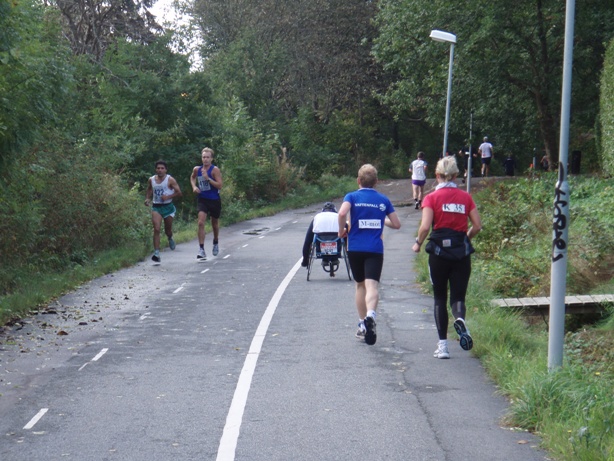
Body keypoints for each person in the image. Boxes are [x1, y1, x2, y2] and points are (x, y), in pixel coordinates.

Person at [412, 156, 482, 359]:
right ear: (456, 175)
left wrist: (418, 243)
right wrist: (466, 238)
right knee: (458, 296)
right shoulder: (465, 197)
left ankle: (442, 346)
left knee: (439, 298)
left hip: (439, 253)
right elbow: (477, 226)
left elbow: (425, 226)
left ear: (436, 175)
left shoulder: (431, 198)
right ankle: (459, 319)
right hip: (461, 252)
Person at [338, 164, 401, 345]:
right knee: (372, 285)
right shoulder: (383, 200)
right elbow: (396, 224)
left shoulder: (352, 196)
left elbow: (342, 212)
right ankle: (371, 314)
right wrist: (382, 219)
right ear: (376, 182)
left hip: (355, 248)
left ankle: (362, 323)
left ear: (358, 181)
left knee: (360, 285)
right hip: (374, 249)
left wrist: (341, 229)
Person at [145, 160, 182, 264]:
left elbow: (179, 192)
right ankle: (156, 253)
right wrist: (147, 199)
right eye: (158, 168)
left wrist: (168, 197)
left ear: (166, 170)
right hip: (156, 206)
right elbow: (149, 190)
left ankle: (170, 237)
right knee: (156, 228)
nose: (160, 170)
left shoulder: (170, 180)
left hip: (168, 207)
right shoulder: (151, 179)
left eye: (162, 168)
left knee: (167, 229)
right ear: (155, 169)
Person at [190, 147, 223, 260]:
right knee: (200, 222)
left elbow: (219, 185)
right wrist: (194, 187)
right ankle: (201, 249)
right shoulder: (197, 169)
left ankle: (215, 241)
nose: (205, 159)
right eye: (204, 157)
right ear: (201, 158)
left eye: (208, 157)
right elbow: (192, 178)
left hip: (214, 200)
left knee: (214, 224)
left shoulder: (215, 170)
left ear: (212, 159)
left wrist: (207, 178)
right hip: (202, 199)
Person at [301, 202, 340, 269]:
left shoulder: (317, 216)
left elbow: (309, 236)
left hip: (320, 239)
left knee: (308, 241)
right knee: (346, 238)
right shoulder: (338, 216)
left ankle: (305, 261)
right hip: (336, 238)